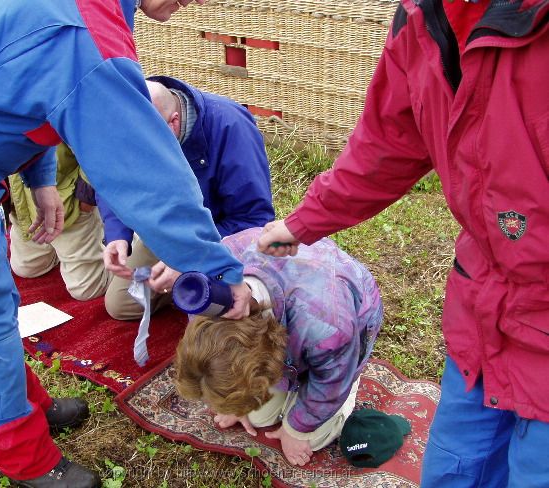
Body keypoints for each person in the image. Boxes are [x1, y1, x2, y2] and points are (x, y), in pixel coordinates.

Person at [0, 0, 252, 486]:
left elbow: (16, 81)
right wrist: (220, 272)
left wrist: (41, 174)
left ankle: (26, 408)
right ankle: (24, 459)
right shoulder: (82, 33)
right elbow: (145, 172)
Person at [257, 1, 549, 486]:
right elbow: (388, 140)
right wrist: (306, 221)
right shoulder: (421, 17)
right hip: (481, 310)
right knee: (451, 469)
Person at [174, 227, 383, 466]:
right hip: (292, 319)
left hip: (348, 324)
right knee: (259, 416)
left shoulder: (329, 328)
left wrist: (296, 429)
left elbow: (331, 381)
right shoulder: (208, 290)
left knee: (312, 437)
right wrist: (234, 397)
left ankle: (350, 386)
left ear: (269, 361)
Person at [99, 76, 275, 320]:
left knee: (218, 319)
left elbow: (253, 220)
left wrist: (191, 260)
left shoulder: (231, 126)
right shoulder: (133, 120)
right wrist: (117, 235)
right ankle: (185, 288)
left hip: (221, 238)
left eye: (147, 145)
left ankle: (202, 289)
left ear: (173, 122)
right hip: (167, 231)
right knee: (122, 304)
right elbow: (112, 180)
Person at [8, 144, 110, 301]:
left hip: (68, 203)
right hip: (25, 203)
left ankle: (128, 236)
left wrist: (86, 198)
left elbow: (99, 142)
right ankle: (56, 248)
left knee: (87, 290)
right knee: (27, 268)